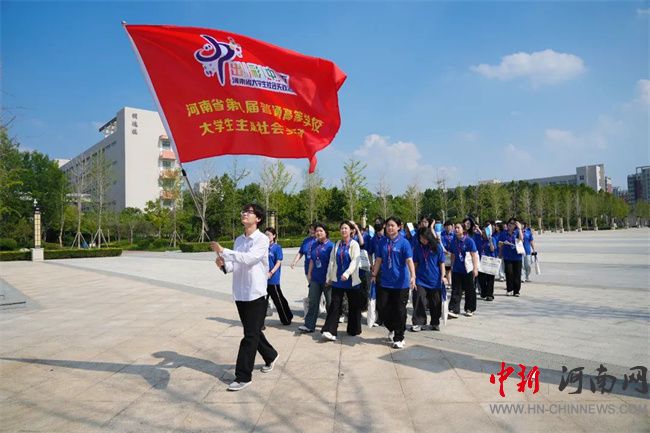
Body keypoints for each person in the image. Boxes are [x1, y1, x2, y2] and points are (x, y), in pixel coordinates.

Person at [211, 203, 278, 392]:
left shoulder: (262, 240)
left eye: (249, 212)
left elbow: (249, 259)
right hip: (240, 293)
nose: (245, 214)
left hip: (256, 293)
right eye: (244, 211)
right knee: (253, 331)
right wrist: (223, 264)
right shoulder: (239, 240)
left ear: (258, 218)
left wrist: (224, 251)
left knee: (249, 336)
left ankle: (243, 376)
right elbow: (235, 264)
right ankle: (271, 355)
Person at [370, 216, 416, 349]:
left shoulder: (404, 243)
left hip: (401, 283)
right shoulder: (382, 242)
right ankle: (393, 328)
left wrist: (413, 276)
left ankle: (399, 337)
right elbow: (378, 259)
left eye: (392, 225)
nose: (390, 228)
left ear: (399, 227)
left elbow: (409, 260)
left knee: (400, 310)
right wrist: (374, 274)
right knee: (383, 308)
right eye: (388, 225)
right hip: (385, 281)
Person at [321, 221, 363, 341]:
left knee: (354, 306)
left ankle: (354, 329)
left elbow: (355, 261)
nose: (343, 230)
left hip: (351, 280)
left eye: (346, 228)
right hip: (338, 280)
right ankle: (330, 330)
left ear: (351, 231)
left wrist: (347, 273)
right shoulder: (337, 244)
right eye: (342, 228)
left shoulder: (354, 244)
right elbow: (332, 261)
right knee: (335, 304)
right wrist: (329, 277)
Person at [299, 223, 334, 333]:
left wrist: (331, 278)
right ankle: (309, 325)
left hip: (327, 279)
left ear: (326, 232)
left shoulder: (331, 246)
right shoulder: (314, 244)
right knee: (313, 301)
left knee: (330, 303)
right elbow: (312, 260)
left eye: (321, 231)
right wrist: (309, 274)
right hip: (315, 278)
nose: (318, 233)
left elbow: (334, 264)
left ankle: (330, 327)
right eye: (317, 231)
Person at [411, 227, 447, 331]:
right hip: (421, 279)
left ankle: (435, 322)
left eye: (424, 237)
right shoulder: (418, 248)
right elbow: (415, 263)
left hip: (435, 280)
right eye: (420, 238)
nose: (422, 240)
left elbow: (441, 263)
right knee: (419, 299)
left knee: (435, 302)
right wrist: (413, 276)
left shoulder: (437, 247)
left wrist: (443, 276)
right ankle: (419, 322)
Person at [449, 221, 479, 318]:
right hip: (457, 269)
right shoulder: (453, 241)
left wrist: (475, 268)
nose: (456, 229)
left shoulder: (469, 241)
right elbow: (453, 254)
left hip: (467, 269)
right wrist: (452, 266)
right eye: (455, 228)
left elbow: (474, 255)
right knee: (456, 290)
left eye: (458, 228)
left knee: (469, 290)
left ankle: (470, 308)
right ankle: (454, 309)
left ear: (463, 230)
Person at [264, 227, 293, 325]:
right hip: (263, 278)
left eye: (269, 235)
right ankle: (260, 323)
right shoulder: (263, 247)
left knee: (278, 299)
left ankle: (286, 318)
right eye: (265, 235)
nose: (267, 236)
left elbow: (278, 262)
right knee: (262, 301)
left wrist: (271, 273)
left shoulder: (277, 247)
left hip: (273, 278)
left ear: (274, 236)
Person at [499, 218, 524, 296]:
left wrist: (519, 229)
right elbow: (499, 244)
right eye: (509, 223)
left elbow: (521, 239)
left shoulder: (517, 232)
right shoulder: (503, 233)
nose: (510, 224)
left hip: (517, 257)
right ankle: (509, 289)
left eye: (513, 223)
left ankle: (516, 291)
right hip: (507, 256)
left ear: (515, 225)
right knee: (509, 273)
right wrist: (500, 250)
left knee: (517, 274)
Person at [478, 221, 497, 301]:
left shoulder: (492, 239)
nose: (483, 233)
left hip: (490, 261)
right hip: (482, 261)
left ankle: (489, 295)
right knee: (481, 278)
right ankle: (484, 292)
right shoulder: (480, 239)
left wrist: (490, 240)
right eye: (483, 231)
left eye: (485, 232)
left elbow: (492, 249)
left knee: (490, 279)